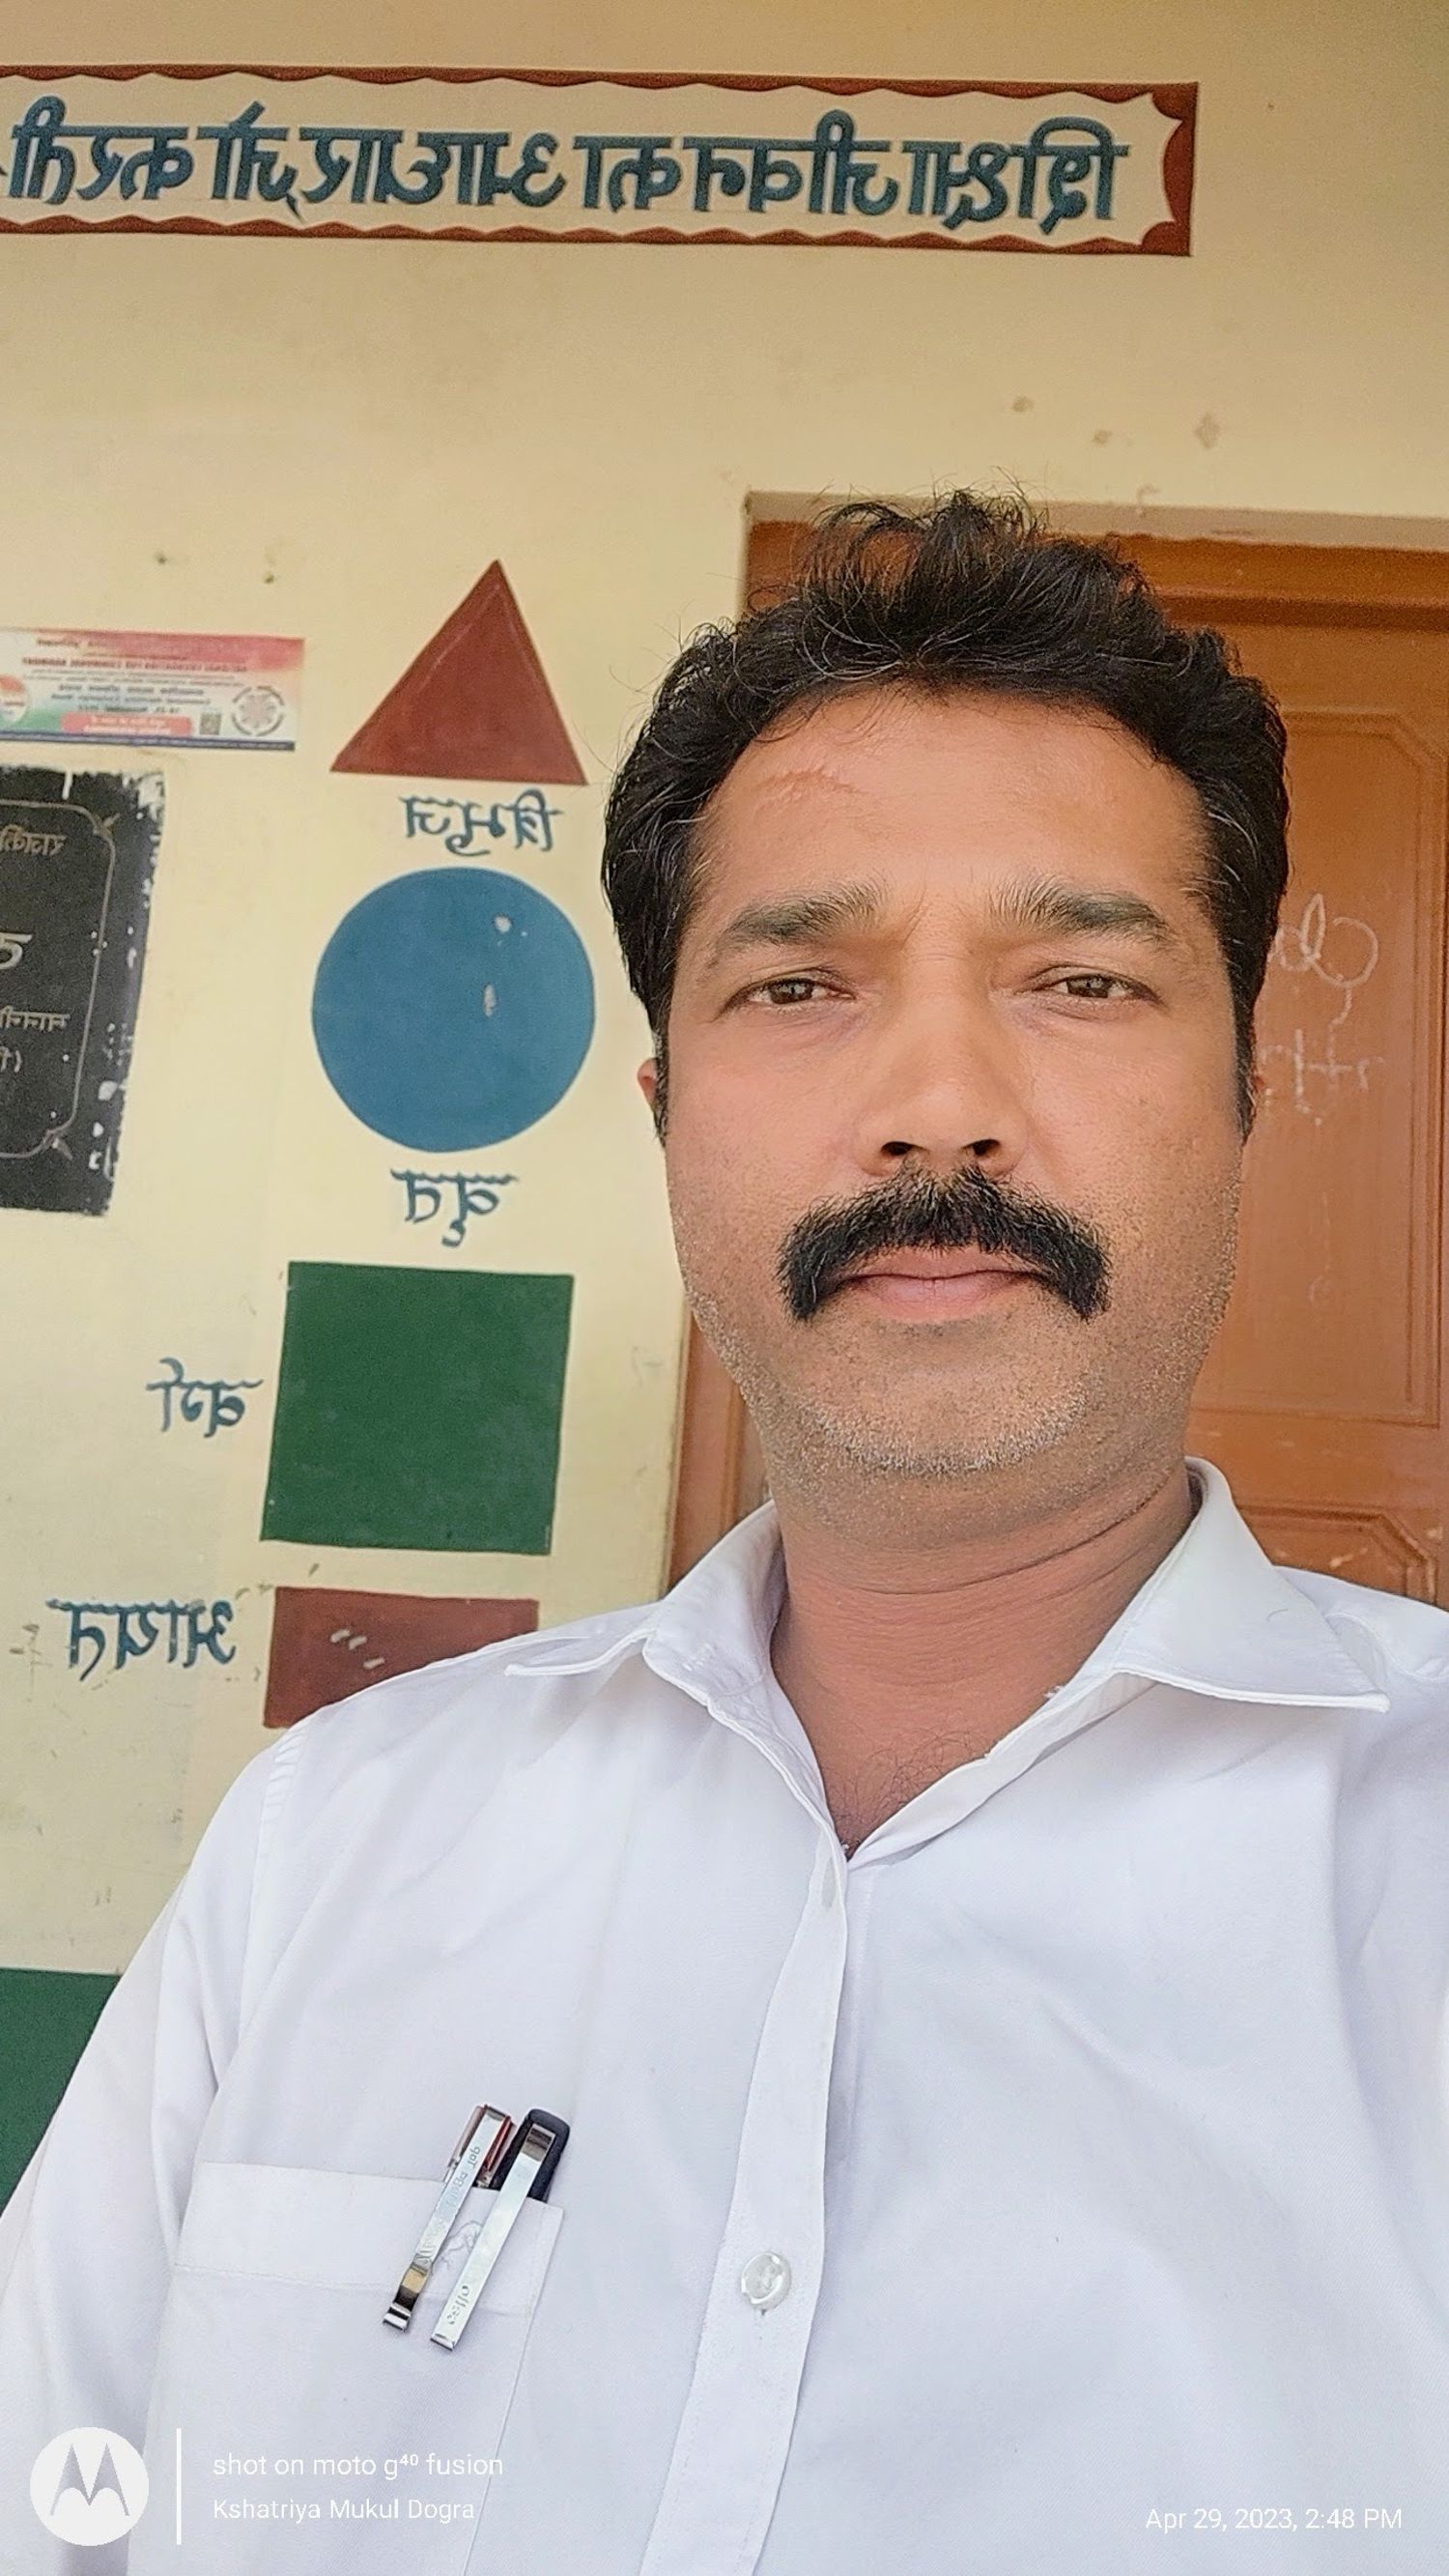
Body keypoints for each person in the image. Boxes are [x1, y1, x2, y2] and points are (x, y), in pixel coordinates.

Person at [4, 491, 1448, 2573]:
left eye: (1079, 978)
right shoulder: (328, 1841)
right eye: (798, 985)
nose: (938, 1104)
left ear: (1246, 1101)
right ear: (666, 1107)